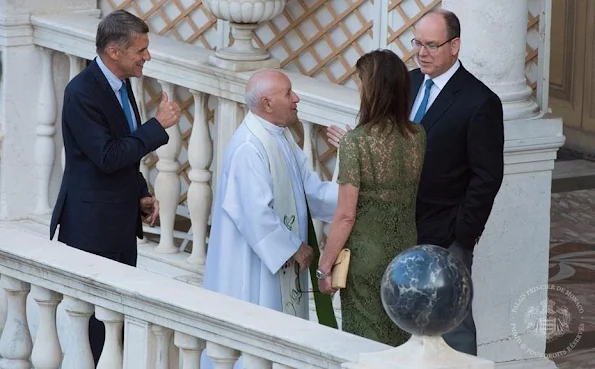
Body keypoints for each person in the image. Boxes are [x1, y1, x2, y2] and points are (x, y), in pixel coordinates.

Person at [327, 9, 504, 355]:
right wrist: (355, 145)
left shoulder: (480, 101)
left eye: (432, 45)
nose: (422, 52)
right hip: (392, 232)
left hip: (444, 233)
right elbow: (385, 139)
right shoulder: (405, 83)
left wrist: (461, 235)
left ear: (455, 46)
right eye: (417, 43)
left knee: (452, 321)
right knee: (393, 320)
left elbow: (487, 177)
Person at [49, 10, 181, 364]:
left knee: (117, 323)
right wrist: (157, 125)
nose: (147, 57)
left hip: (119, 223)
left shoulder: (121, 85)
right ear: (113, 51)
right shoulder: (81, 92)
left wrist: (140, 192)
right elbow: (106, 156)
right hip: (91, 228)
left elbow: (123, 148)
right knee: (95, 328)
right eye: (141, 50)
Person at [318, 49, 426, 346]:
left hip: (365, 260)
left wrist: (324, 266)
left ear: (372, 90)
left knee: (366, 347)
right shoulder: (418, 135)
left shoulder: (356, 143)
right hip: (405, 254)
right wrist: (352, 145)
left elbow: (345, 215)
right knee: (400, 340)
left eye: (361, 85)